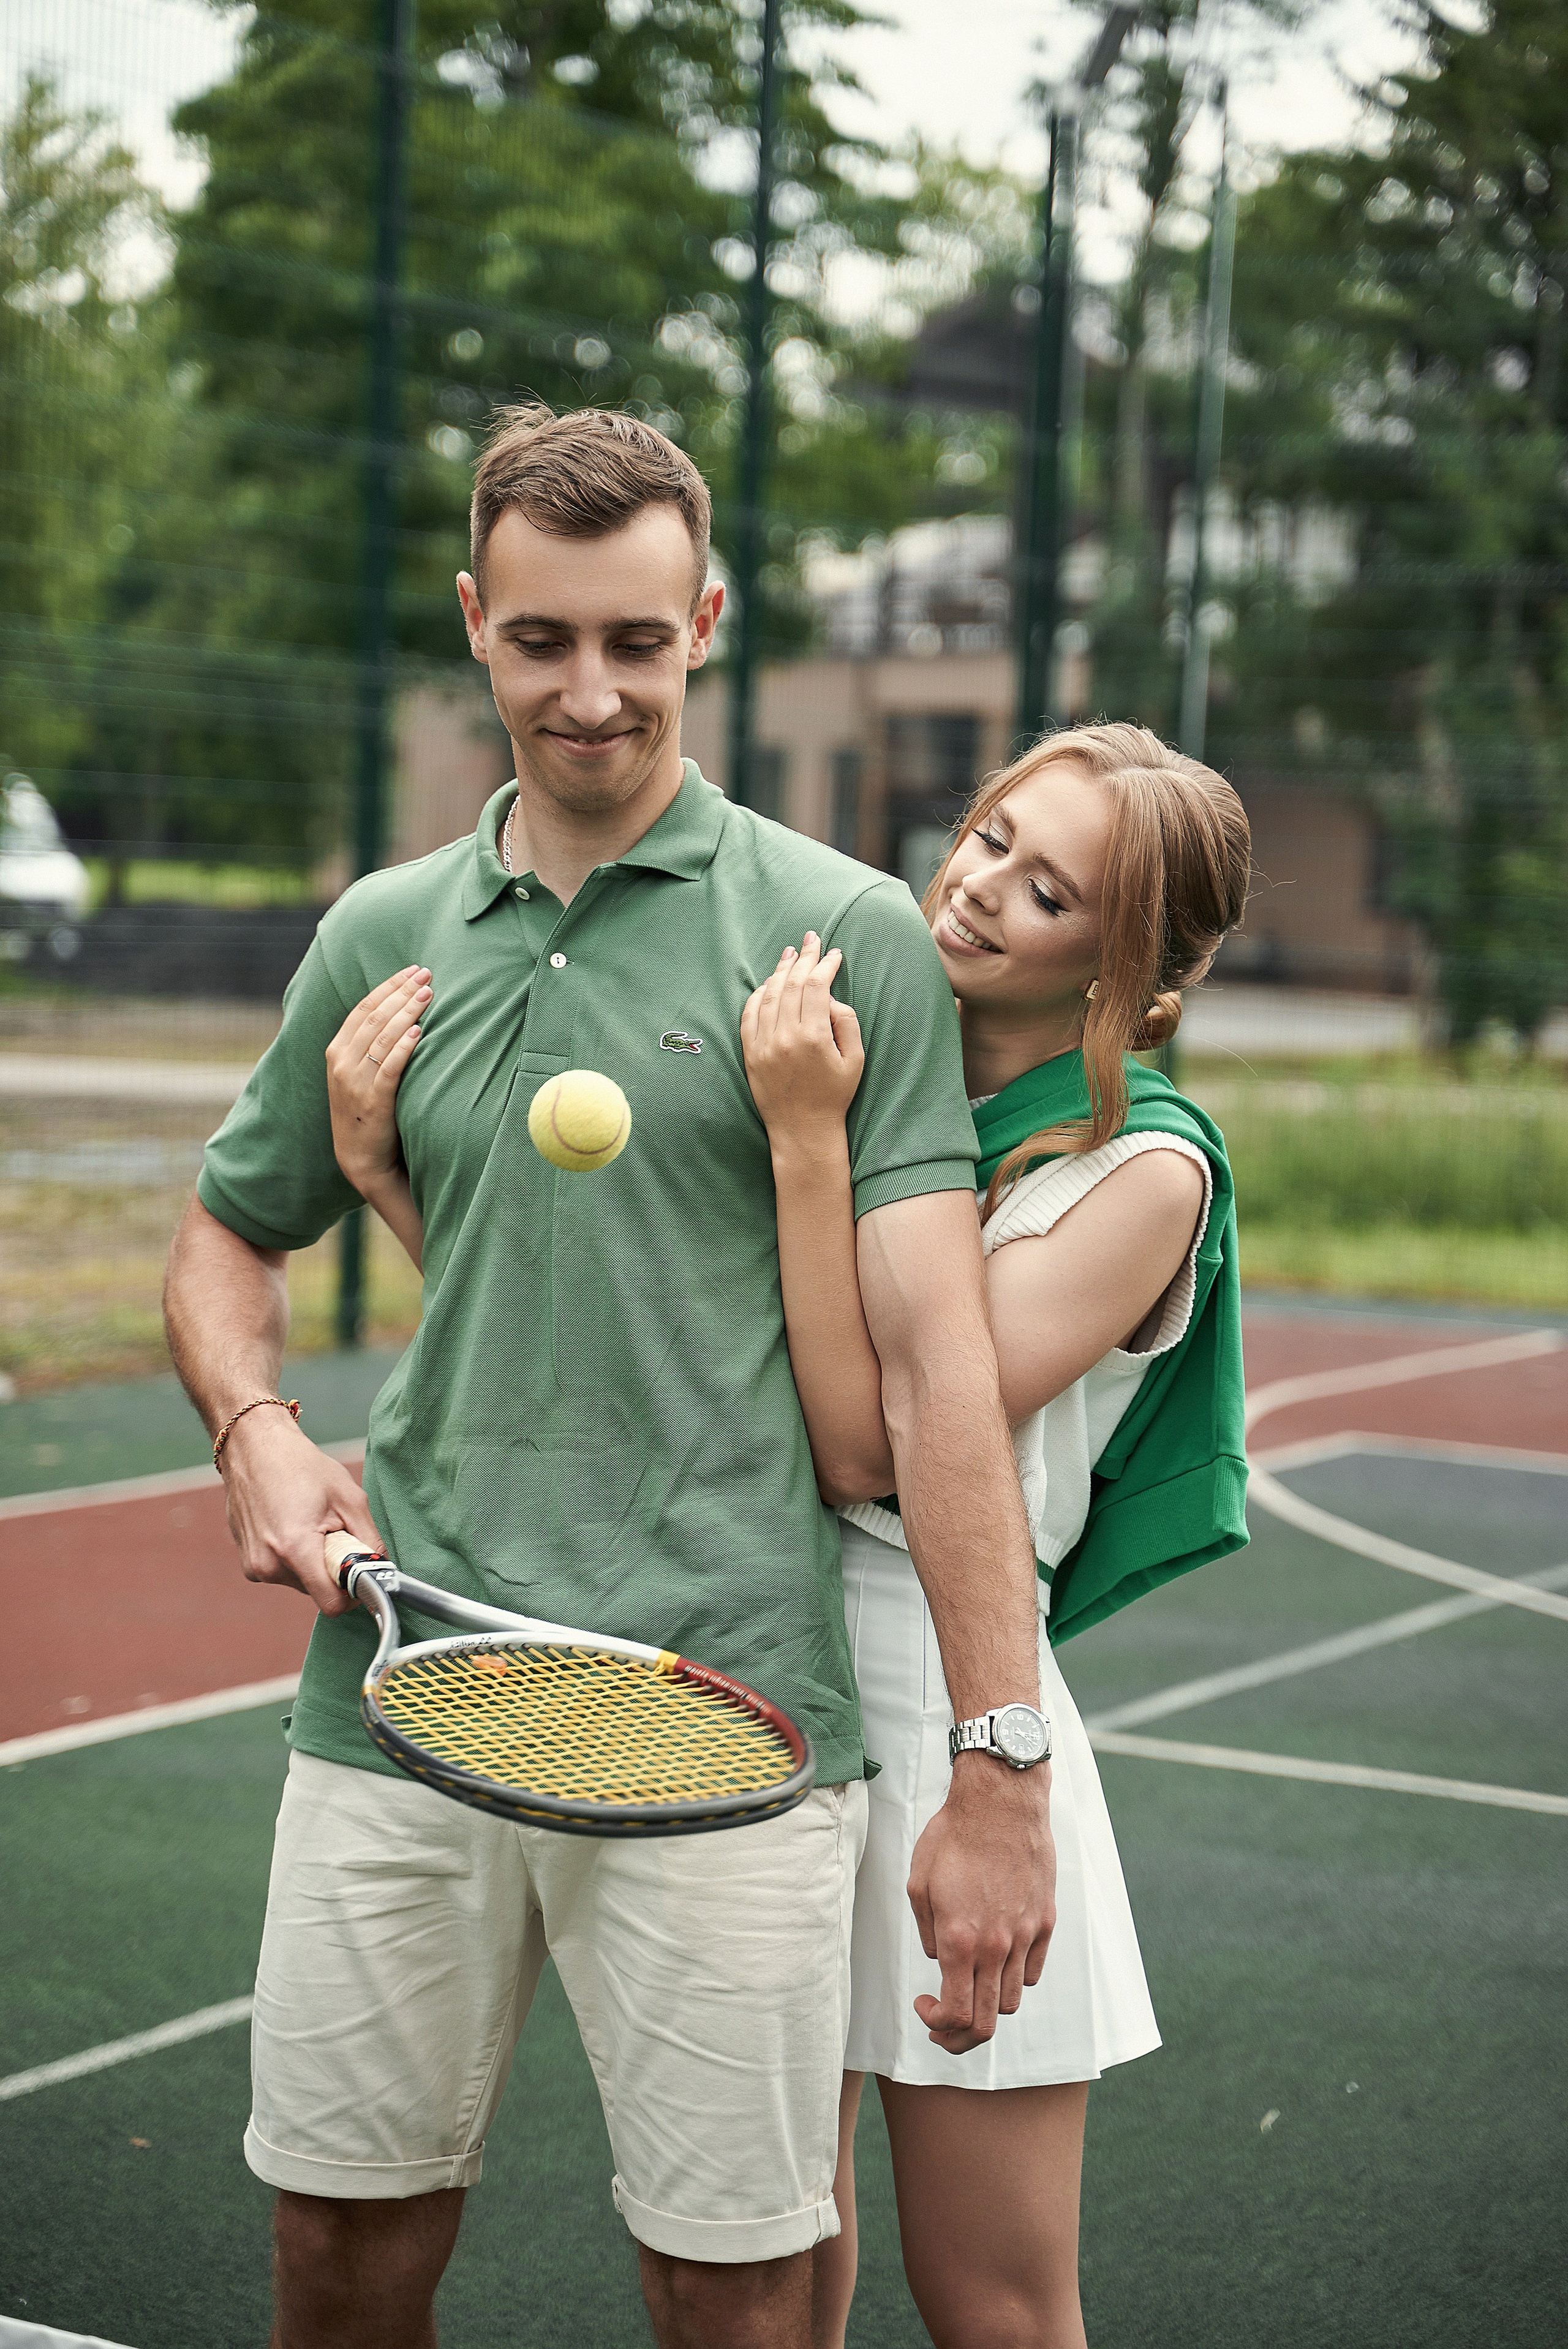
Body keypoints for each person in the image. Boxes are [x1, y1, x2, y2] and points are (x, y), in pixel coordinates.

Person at [163, 402, 1056, 2349]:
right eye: (544, 639)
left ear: (707, 624)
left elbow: (935, 1369)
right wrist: (254, 1425)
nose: (590, 692)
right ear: (474, 620)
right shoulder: (383, 934)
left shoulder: (847, 937)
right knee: (337, 2250)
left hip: (729, 1708)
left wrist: (1002, 1765)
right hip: (406, 1689)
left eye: (638, 641)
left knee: (732, 2288)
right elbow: (226, 1233)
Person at [737, 722, 1251, 2349]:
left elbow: (872, 1443)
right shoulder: (854, 1033)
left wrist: (807, 1143)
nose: (978, 888)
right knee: (764, 2260)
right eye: (991, 838)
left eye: (1050, 893)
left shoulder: (1142, 1169)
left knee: (998, 2304)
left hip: (943, 1683)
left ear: (1131, 971)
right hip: (753, 1640)